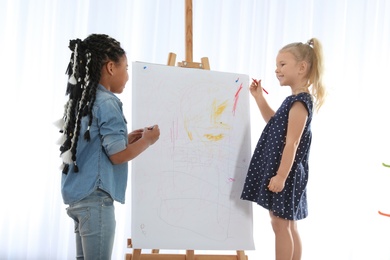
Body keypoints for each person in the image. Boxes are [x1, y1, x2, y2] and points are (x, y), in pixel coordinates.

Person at [56, 34, 160, 259]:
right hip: (96, 200)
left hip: (79, 198)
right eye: (126, 68)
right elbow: (117, 157)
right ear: (111, 67)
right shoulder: (108, 102)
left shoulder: (85, 100)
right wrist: (147, 141)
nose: (128, 76)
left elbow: (95, 145)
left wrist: (129, 138)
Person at [241, 38, 326, 260]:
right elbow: (274, 123)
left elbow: (293, 143)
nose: (277, 69)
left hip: (286, 172)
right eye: (277, 65)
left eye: (282, 64)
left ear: (301, 68)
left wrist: (280, 176)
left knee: (280, 224)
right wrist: (259, 97)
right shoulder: (292, 100)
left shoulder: (299, 103)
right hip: (286, 171)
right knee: (287, 223)